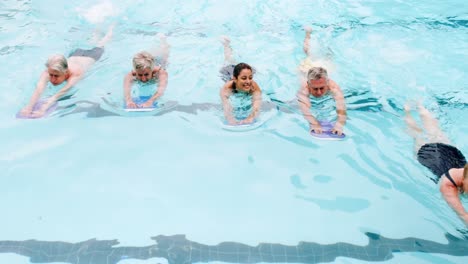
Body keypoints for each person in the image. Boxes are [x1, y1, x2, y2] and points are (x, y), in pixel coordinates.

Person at [19, 26, 114, 118]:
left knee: (103, 42)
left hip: (93, 55)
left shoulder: (76, 73)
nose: (52, 79)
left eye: (56, 76)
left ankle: (111, 27)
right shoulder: (49, 70)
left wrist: (43, 109)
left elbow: (60, 93)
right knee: (94, 38)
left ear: (65, 72)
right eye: (51, 75)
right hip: (77, 52)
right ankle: (97, 27)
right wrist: (28, 107)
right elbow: (39, 89)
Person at [404, 103, 468, 225]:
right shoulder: (448, 187)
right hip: (429, 155)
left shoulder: (466, 174)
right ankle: (407, 110)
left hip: (451, 153)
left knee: (435, 130)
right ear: (464, 179)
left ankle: (421, 105)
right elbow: (463, 215)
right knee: (416, 133)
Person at [296, 27, 346, 135]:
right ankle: (308, 33)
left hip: (324, 68)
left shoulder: (333, 87)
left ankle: (331, 34)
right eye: (315, 89)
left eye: (322, 88)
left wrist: (339, 124)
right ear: (309, 85)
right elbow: (305, 108)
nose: (319, 92)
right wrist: (314, 123)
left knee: (329, 56)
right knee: (308, 53)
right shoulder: (304, 89)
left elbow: (341, 106)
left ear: (327, 83)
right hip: (306, 69)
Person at [219, 36, 262, 125]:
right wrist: (230, 119)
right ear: (235, 79)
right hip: (228, 71)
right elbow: (226, 106)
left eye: (250, 77)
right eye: (244, 78)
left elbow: (257, 105)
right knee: (229, 59)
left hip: (238, 73)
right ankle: (226, 45)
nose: (248, 82)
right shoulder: (227, 87)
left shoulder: (254, 87)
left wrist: (250, 117)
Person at [123, 34, 170, 109]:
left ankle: (163, 40)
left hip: (160, 63)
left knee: (165, 55)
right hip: (149, 63)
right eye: (140, 75)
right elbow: (126, 92)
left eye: (146, 74)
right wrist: (129, 101)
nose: (143, 79)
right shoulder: (130, 75)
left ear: (151, 70)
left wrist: (150, 101)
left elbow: (161, 90)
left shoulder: (161, 73)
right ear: (136, 71)